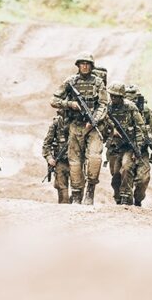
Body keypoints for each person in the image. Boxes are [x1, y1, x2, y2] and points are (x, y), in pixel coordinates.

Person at [50, 52, 108, 205]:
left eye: (88, 64)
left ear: (91, 66)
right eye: (82, 63)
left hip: (93, 127)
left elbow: (103, 104)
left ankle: (90, 192)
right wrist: (70, 104)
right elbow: (54, 100)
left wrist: (94, 120)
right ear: (78, 65)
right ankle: (76, 196)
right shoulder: (70, 82)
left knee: (95, 158)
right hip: (75, 126)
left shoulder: (98, 83)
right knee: (75, 163)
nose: (84, 66)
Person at [104, 82, 146, 206]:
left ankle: (125, 197)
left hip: (129, 146)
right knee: (115, 174)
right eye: (111, 95)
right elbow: (102, 124)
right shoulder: (107, 108)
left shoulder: (131, 107)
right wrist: (112, 130)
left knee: (126, 169)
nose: (113, 98)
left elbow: (140, 128)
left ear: (122, 97)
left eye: (116, 96)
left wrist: (136, 149)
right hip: (114, 146)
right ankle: (118, 197)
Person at [126, 84, 152, 206]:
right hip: (123, 150)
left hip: (142, 151)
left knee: (143, 179)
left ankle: (137, 200)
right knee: (121, 175)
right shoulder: (119, 110)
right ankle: (124, 201)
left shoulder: (145, 111)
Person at [42, 110, 71, 204]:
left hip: (76, 161)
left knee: (78, 190)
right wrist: (49, 158)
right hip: (60, 162)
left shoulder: (79, 122)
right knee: (63, 193)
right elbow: (46, 144)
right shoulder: (56, 124)